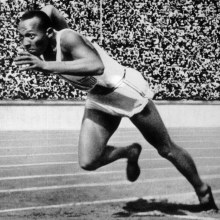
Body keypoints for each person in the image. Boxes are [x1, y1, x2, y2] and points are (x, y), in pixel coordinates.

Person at [15, 5, 218, 211]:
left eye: (31, 35)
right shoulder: (44, 44)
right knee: (88, 161)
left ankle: (202, 190)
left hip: (124, 91)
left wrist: (46, 66)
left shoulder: (66, 38)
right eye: (22, 37)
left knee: (166, 149)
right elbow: (49, 9)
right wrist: (39, 19)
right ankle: (129, 152)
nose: (26, 43)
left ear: (48, 32)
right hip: (98, 99)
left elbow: (97, 66)